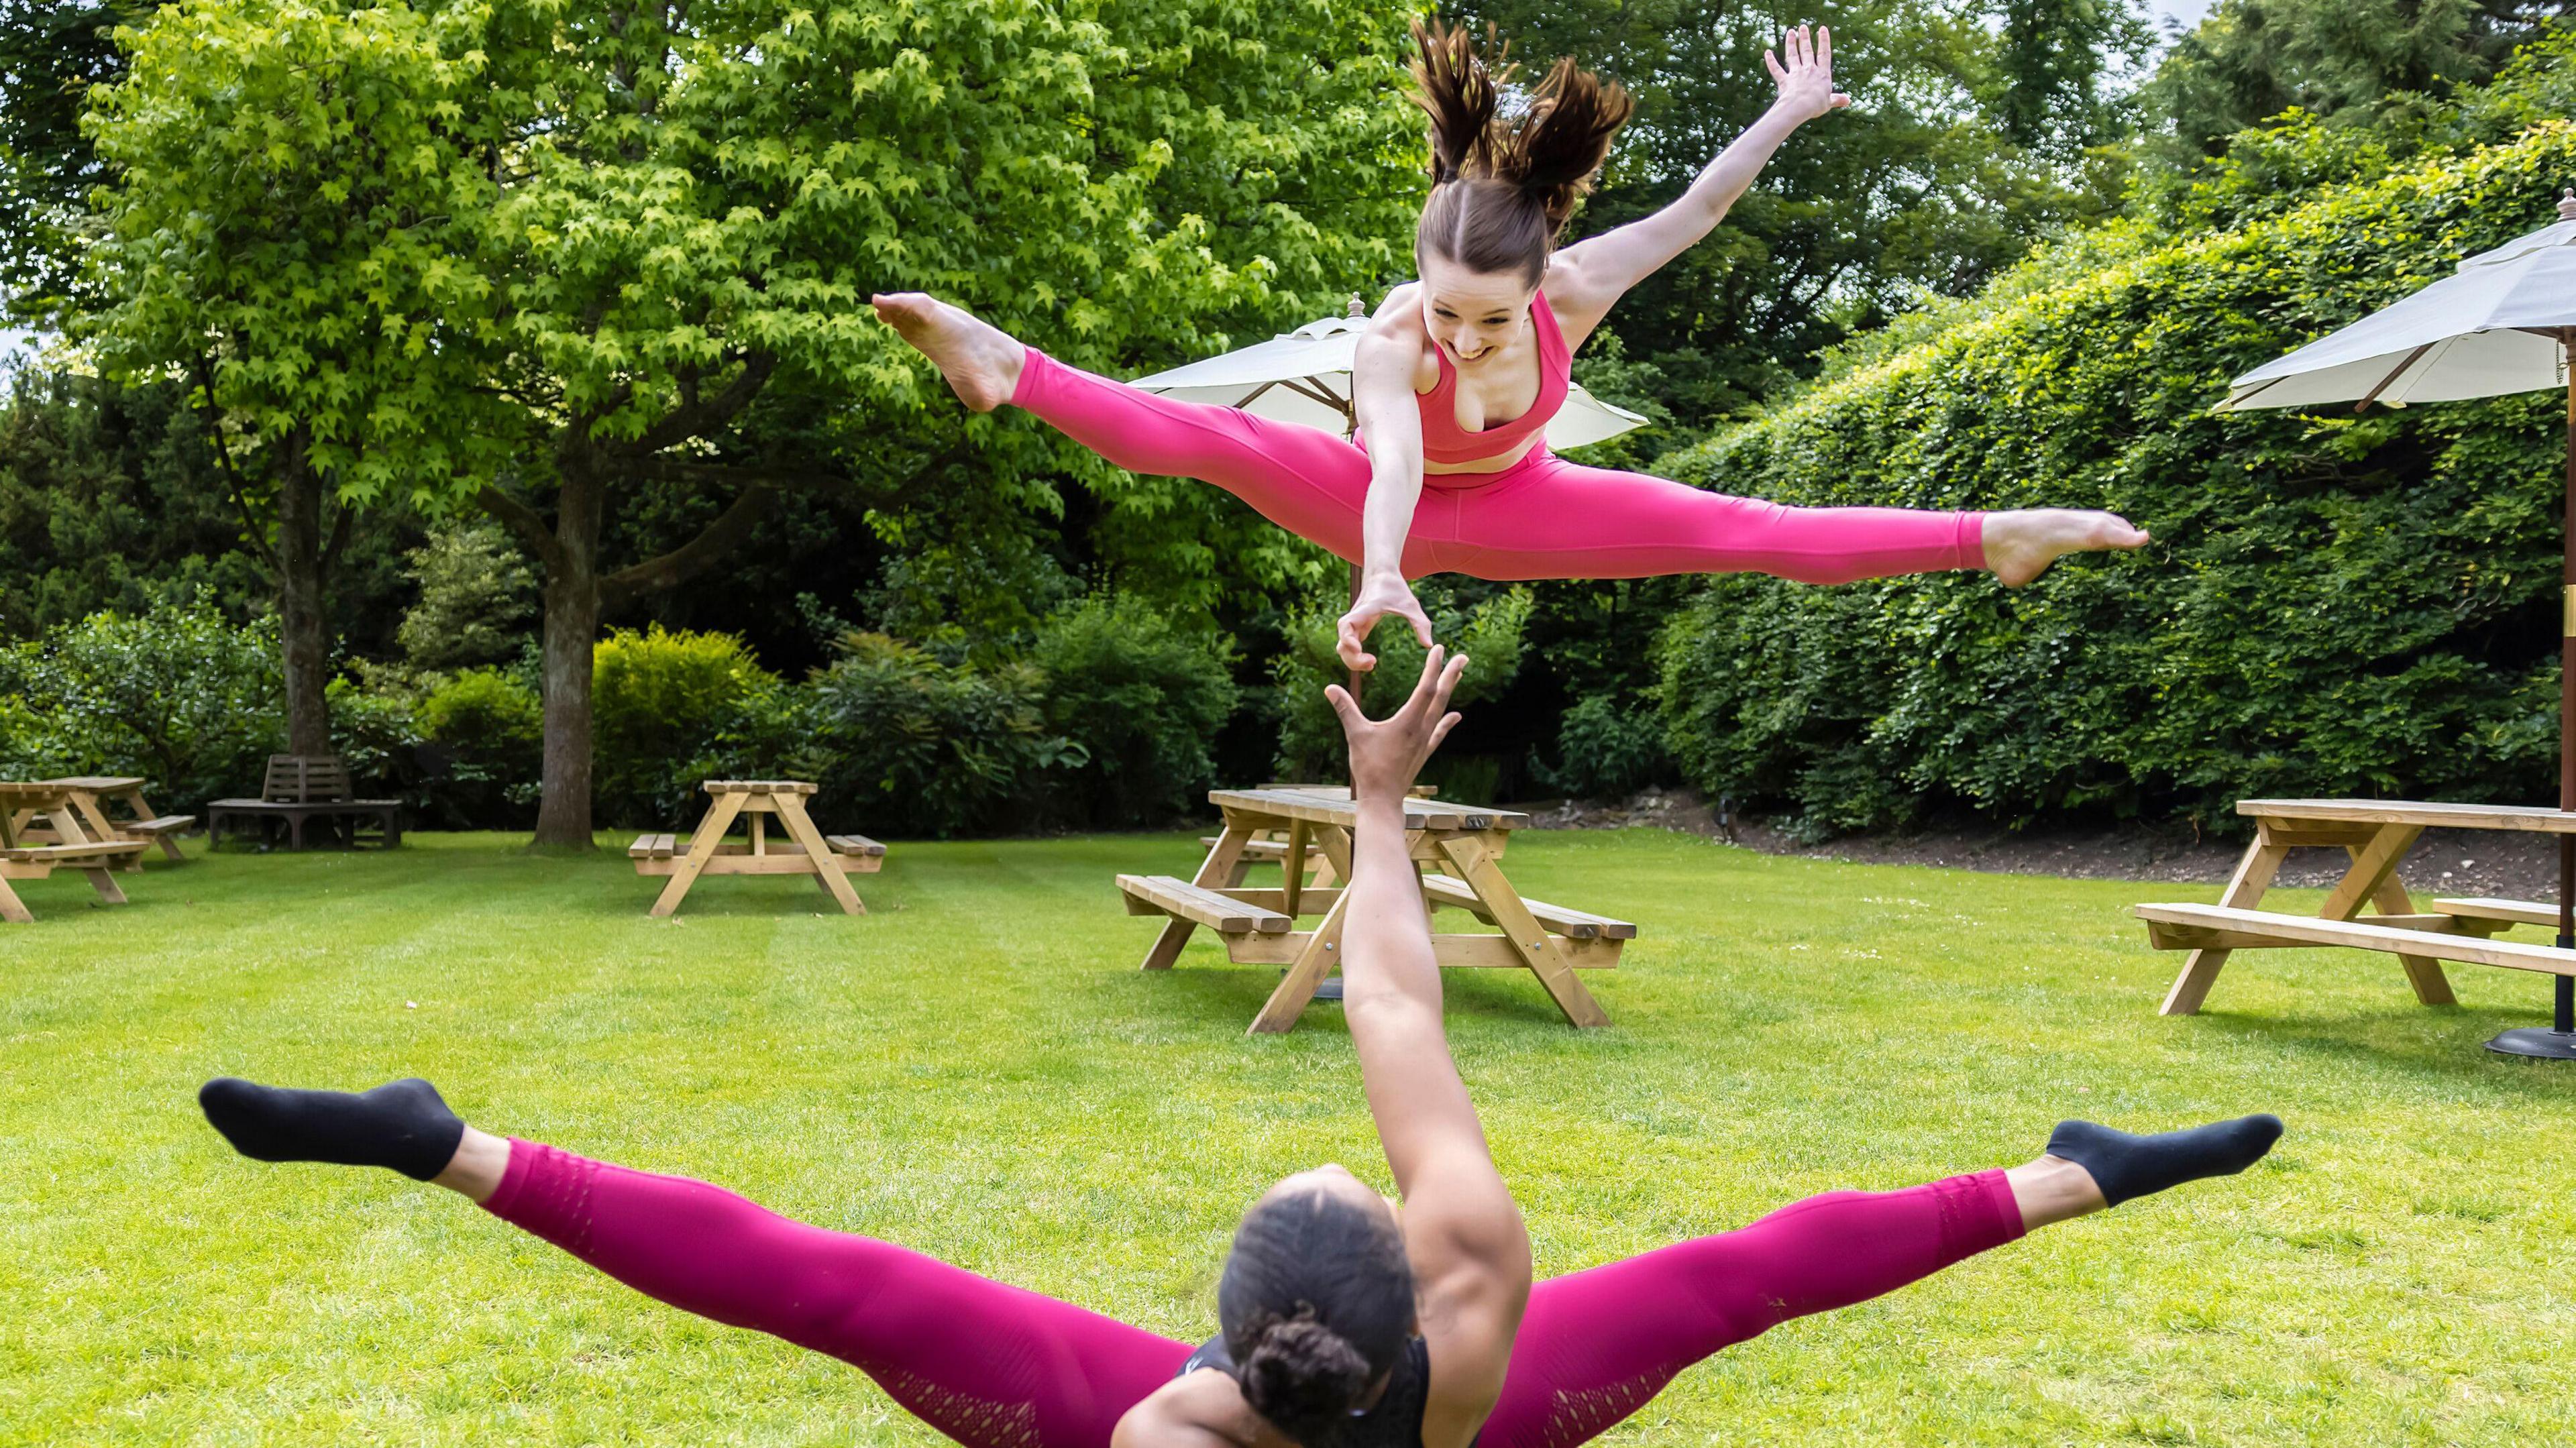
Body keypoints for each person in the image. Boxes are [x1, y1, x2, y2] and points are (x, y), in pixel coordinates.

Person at [198, 651, 2279, 1448]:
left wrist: (1369, 808)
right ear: (1409, 1289)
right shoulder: (1481, 1307)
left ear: (1222, 1338)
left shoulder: (1155, 1431)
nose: (1363, 1163)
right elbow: (1401, 1011)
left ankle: (435, 1145)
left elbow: (794, 1275)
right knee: (1755, 1276)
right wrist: (1385, 822)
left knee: (843, 1294)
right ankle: (2076, 1164)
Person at [872, 21, 2150, 673]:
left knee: (1746, 526)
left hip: (1529, 503)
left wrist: (1786, 113)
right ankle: (1008, 364)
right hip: (1381, 506)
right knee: (1208, 445)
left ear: (1540, 282)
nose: (1467, 337)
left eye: (1492, 317)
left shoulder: (1579, 286)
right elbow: (1392, 472)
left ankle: (2001, 535)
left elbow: (1697, 211)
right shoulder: (1393, 342)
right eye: (1448, 312)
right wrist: (1380, 577)